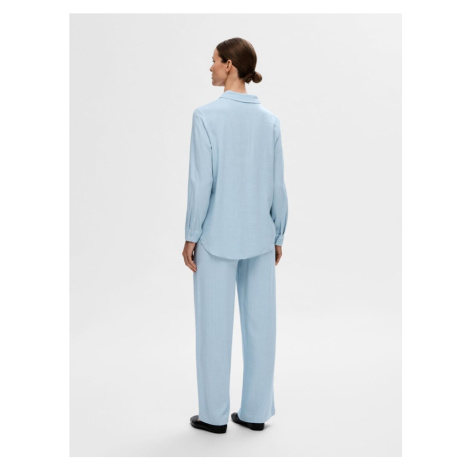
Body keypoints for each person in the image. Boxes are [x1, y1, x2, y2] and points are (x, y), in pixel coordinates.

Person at [183, 37, 288, 434]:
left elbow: (201, 183)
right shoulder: (269, 120)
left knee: (214, 327)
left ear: (229, 64)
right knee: (262, 327)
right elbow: (277, 184)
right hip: (260, 236)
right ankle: (255, 413)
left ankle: (213, 417)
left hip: (216, 237)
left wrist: (191, 234)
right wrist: (278, 233)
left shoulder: (206, 116)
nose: (210, 67)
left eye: (213, 61)